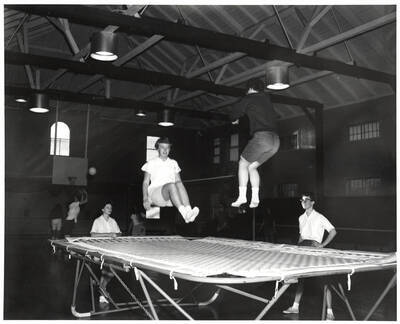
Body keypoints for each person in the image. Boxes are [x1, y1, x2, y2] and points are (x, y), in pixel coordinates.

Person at [283, 193, 337, 320]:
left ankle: (330, 312)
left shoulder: (319, 217)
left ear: (312, 202)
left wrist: (322, 245)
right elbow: (301, 236)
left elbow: (333, 231)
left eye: (306, 200)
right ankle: (295, 307)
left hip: (314, 249)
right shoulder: (301, 218)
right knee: (300, 279)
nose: (303, 202)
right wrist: (297, 248)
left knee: (324, 281)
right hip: (302, 248)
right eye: (301, 200)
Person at [230, 78, 280, 209]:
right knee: (251, 167)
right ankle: (255, 198)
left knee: (242, 164)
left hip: (262, 138)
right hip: (275, 142)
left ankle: (242, 197)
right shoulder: (266, 99)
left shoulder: (250, 97)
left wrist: (234, 119)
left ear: (250, 89)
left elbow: (234, 111)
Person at [141, 137, 199, 223]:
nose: (165, 150)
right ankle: (184, 214)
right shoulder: (151, 162)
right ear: (157, 148)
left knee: (178, 183)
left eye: (167, 147)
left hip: (171, 197)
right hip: (156, 194)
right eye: (162, 147)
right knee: (171, 185)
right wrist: (145, 198)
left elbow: (179, 182)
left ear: (170, 149)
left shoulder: (173, 163)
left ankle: (188, 212)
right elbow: (145, 182)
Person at [90, 202, 122, 304]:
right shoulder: (97, 221)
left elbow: (119, 233)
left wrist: (116, 235)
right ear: (103, 209)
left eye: (111, 208)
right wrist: (108, 234)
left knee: (111, 270)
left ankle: (102, 288)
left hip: (112, 249)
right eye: (107, 207)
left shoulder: (113, 221)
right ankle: (102, 290)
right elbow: (93, 235)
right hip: (100, 249)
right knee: (109, 267)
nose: (110, 209)